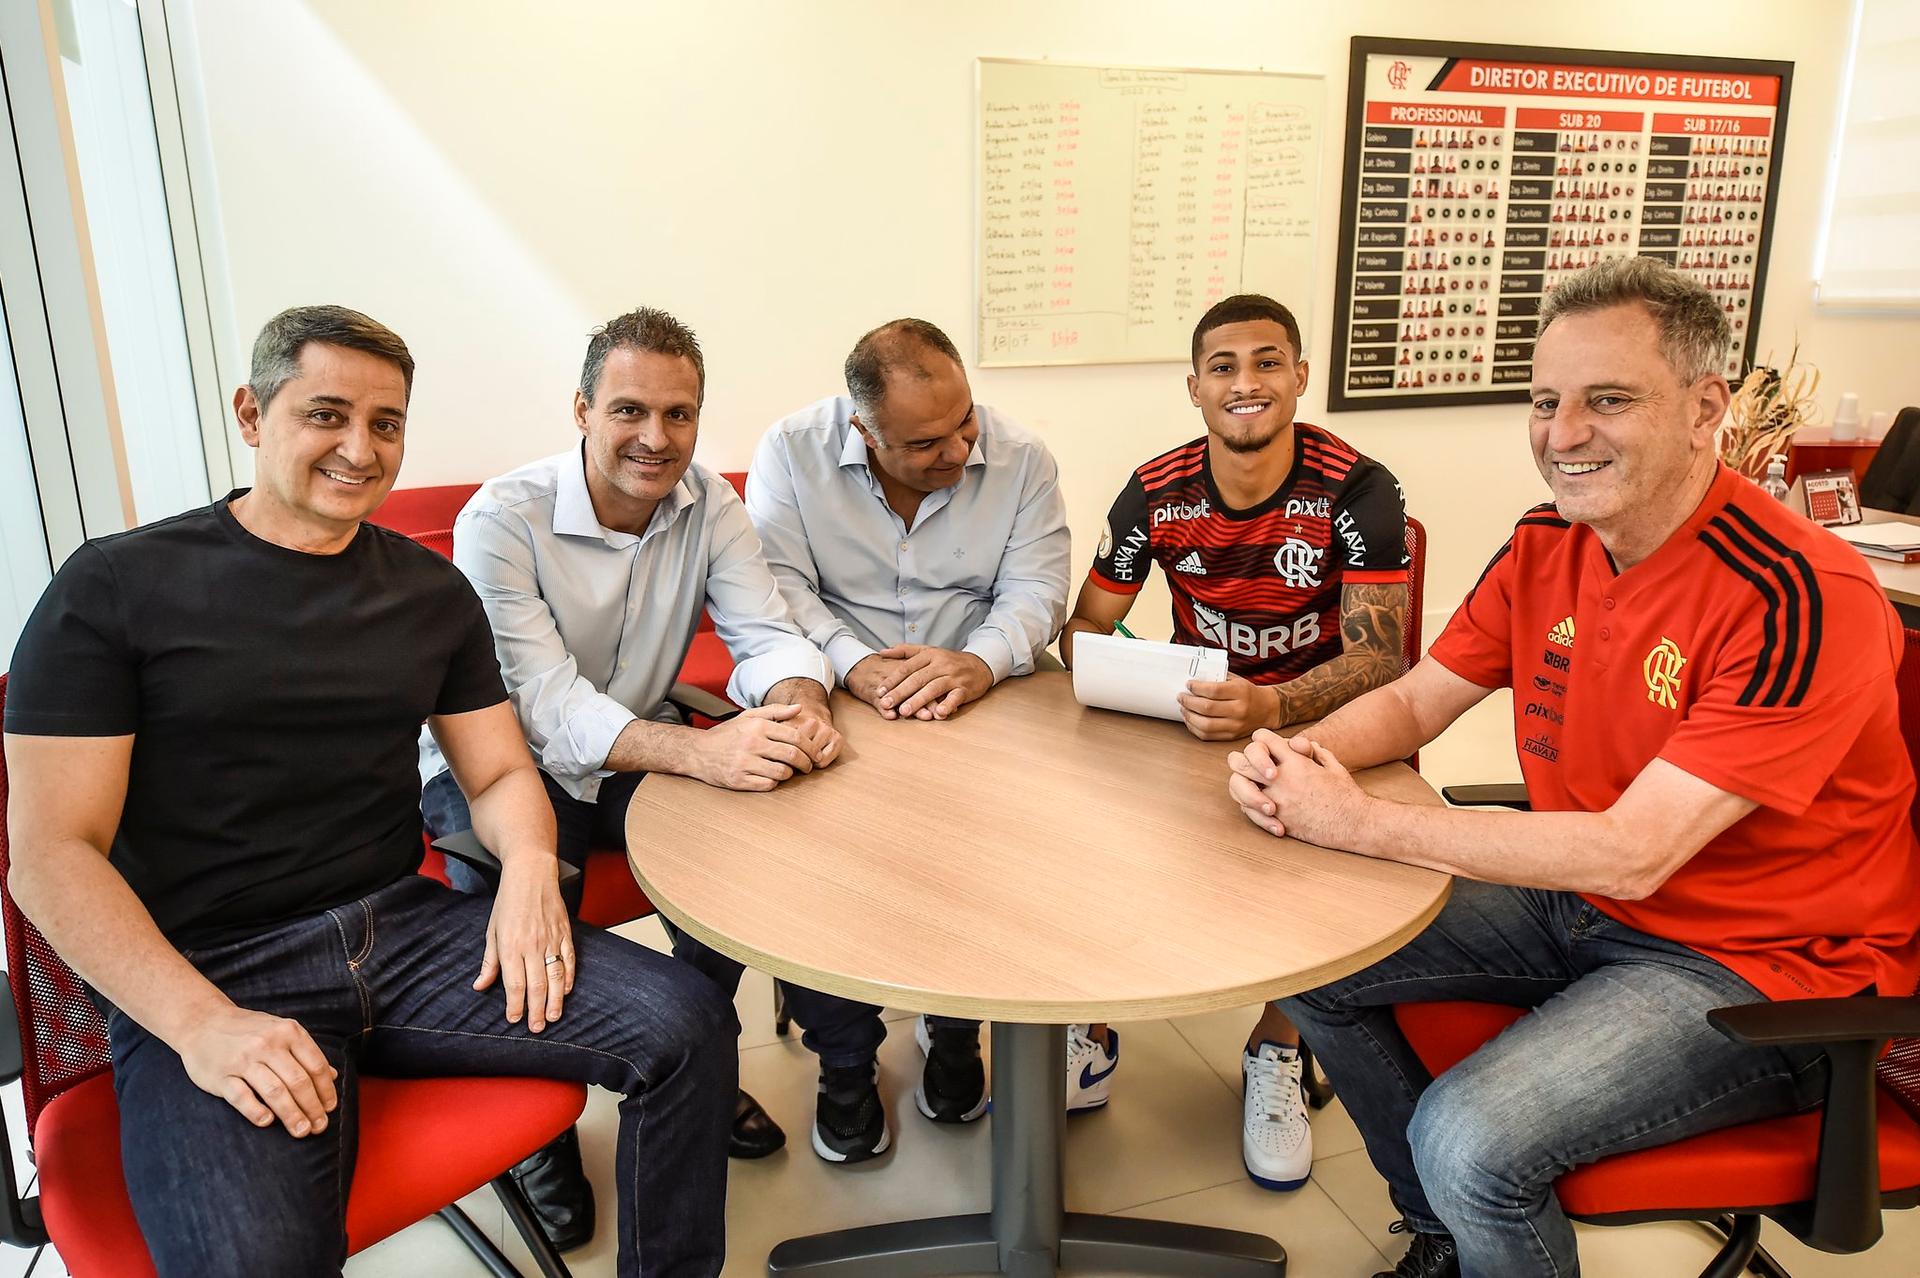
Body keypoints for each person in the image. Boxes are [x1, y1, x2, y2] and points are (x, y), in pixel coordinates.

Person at [2, 305, 736, 1278]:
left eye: (385, 423)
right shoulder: (113, 591)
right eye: (326, 414)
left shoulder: (428, 595)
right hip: (216, 971)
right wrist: (198, 1024)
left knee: (686, 1023)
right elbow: (52, 858)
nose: (360, 448)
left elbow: (503, 768)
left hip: (405, 934)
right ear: (252, 415)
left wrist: (524, 867)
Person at [1229, 257, 1920, 1278]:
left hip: (1761, 969)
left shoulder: (1799, 594)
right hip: (1581, 898)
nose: (1563, 433)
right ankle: (1448, 1240)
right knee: (1315, 955)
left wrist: (1357, 821)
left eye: (1608, 400)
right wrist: (1301, 758)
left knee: (1471, 1141)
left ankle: (1466, 1206)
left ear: (1704, 409)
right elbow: (1423, 699)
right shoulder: (1547, 539)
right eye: (1546, 402)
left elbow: (1638, 853)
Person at [416, 306, 877, 1185]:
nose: (656, 438)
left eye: (679, 414)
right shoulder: (501, 520)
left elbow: (768, 631)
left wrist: (798, 698)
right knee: (518, 906)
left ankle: (705, 1074)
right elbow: (546, 706)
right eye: (629, 410)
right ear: (582, 410)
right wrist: (705, 753)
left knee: (755, 861)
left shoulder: (712, 503)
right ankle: (536, 1147)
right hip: (503, 758)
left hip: (639, 736)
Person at [1061, 293, 1411, 1192]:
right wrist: (1146, 681)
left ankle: (1278, 1049)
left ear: (1299, 377)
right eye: (1223, 366)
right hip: (1203, 710)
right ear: (1194, 387)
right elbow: (1089, 625)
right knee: (1088, 824)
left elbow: (1383, 658)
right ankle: (1091, 1031)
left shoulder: (1360, 487)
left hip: (1320, 719)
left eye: (1266, 362)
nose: (1245, 382)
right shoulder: (1156, 488)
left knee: (1304, 860)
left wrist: (1272, 707)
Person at [746, 317, 1071, 1148]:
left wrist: (980, 663)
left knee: (987, 865)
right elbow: (776, 588)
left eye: (965, 423)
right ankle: (846, 1062)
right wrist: (853, 665)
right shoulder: (791, 451)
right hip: (844, 692)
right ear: (864, 430)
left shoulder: (1022, 455)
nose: (959, 451)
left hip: (983, 697)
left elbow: (1037, 589)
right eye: (926, 442)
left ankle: (956, 1026)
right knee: (823, 876)